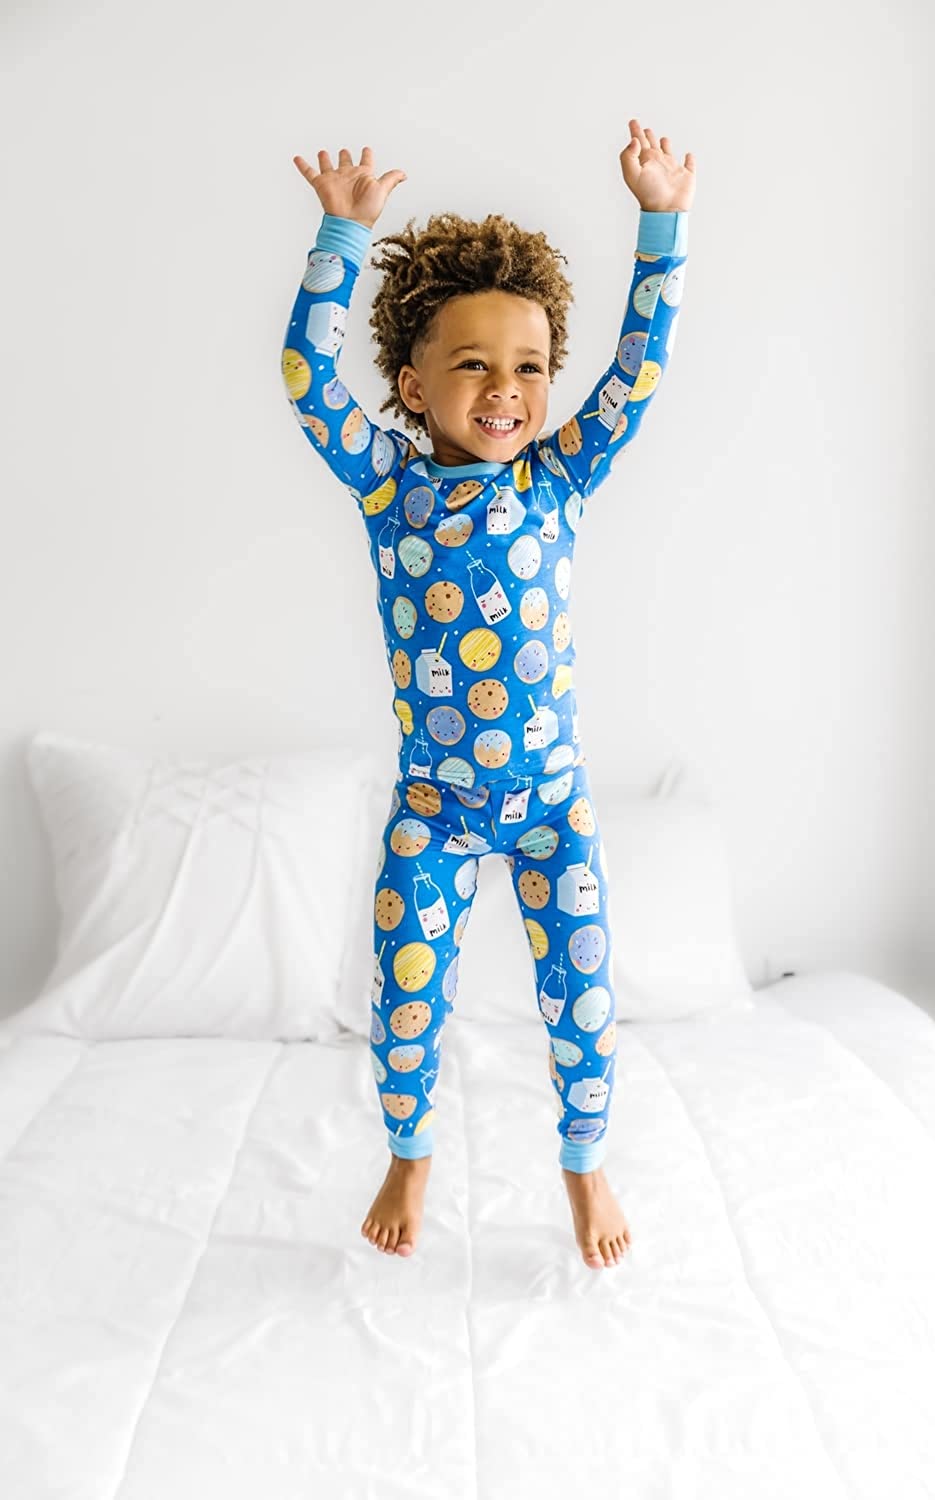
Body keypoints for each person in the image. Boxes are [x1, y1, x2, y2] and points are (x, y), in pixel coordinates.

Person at [283, 119, 695, 1268]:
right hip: (436, 809)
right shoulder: (388, 486)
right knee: (404, 1004)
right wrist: (340, 237)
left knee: (585, 999)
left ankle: (585, 1164)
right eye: (472, 365)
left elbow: (637, 371)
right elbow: (307, 378)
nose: (506, 390)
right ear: (412, 386)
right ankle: (409, 1153)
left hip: (553, 807)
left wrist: (661, 224)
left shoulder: (561, 477)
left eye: (528, 367)